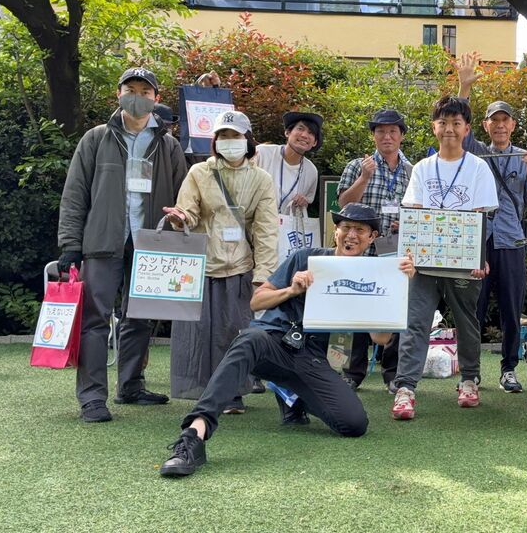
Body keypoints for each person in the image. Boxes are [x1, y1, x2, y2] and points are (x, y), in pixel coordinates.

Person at [158, 203, 415, 477]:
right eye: (346, 228)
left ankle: (291, 395)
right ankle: (193, 436)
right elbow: (257, 302)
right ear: (336, 232)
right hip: (273, 340)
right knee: (249, 339)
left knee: (354, 424)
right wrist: (291, 289)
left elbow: (380, 336)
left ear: (372, 237)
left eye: (360, 230)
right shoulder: (305, 258)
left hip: (311, 357)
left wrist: (400, 286)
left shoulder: (374, 274)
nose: (351, 235)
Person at [57, 67, 187, 423]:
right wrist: (70, 244)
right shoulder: (96, 139)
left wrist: (178, 224)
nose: (138, 95)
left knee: (141, 316)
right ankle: (92, 398)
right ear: (118, 94)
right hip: (101, 241)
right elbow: (74, 196)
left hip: (151, 241)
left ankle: (130, 384)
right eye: (131, 89)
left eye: (146, 91)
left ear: (156, 99)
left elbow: (182, 195)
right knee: (94, 320)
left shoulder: (168, 144)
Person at [162, 110, 279, 413]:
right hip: (202, 264)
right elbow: (187, 209)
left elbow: (265, 230)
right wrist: (179, 217)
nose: (229, 142)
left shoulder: (261, 179)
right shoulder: (199, 173)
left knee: (234, 331)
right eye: (223, 136)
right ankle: (201, 391)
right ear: (214, 141)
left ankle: (233, 392)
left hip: (240, 265)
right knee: (198, 333)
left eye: (235, 136)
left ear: (247, 140)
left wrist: (263, 276)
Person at [391, 96, 499, 419]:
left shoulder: (478, 167)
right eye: (443, 123)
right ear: (433, 127)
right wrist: (409, 257)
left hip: (464, 263)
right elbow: (414, 215)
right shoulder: (423, 169)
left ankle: (469, 379)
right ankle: (405, 388)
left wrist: (480, 257)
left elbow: (483, 217)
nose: (449, 129)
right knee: (416, 321)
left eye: (456, 123)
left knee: (466, 321)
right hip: (424, 263)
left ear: (467, 128)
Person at [337, 109, 414, 390]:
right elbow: (344, 204)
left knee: (393, 310)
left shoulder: (411, 170)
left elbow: (419, 211)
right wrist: (363, 179)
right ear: (373, 136)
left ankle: (392, 373)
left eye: (393, 131)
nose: (387, 136)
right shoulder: (359, 165)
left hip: (394, 251)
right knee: (356, 309)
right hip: (360, 250)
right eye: (380, 131)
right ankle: (353, 372)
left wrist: (404, 221)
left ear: (402, 136)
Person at [466, 101, 527, 393]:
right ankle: (471, 371)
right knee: (474, 308)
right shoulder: (476, 154)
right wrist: (465, 86)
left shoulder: (525, 158)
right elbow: (461, 133)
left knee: (511, 309)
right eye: (493, 120)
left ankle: (509, 369)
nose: (499, 125)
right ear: (485, 125)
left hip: (511, 240)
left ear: (512, 125)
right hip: (478, 240)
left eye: (504, 120)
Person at [253, 111, 322, 217]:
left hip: (286, 229)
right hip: (254, 225)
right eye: (300, 129)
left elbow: (307, 202)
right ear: (287, 132)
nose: (304, 135)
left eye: (311, 133)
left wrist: (303, 201)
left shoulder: (311, 171)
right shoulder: (262, 153)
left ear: (315, 142)